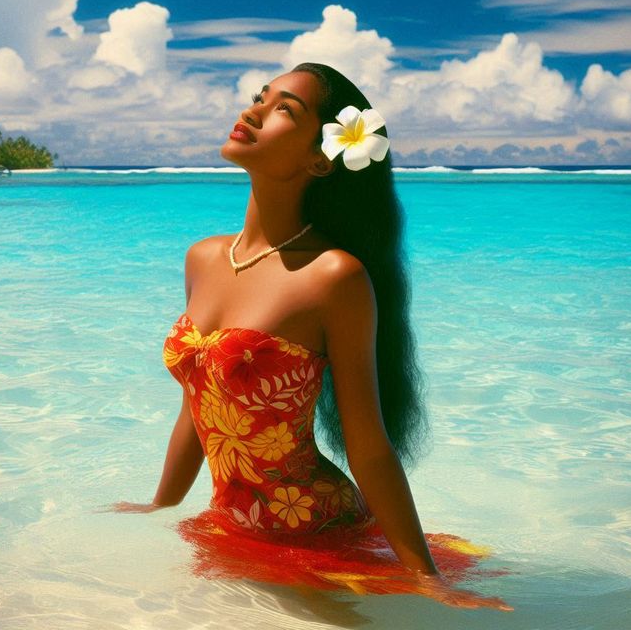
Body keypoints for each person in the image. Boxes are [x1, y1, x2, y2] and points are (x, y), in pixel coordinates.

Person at [106, 63, 512, 611]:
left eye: (283, 109)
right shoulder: (202, 258)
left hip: (315, 529)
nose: (251, 110)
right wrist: (159, 508)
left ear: (320, 160)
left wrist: (424, 577)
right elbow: (197, 408)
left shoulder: (333, 277)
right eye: (260, 97)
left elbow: (368, 445)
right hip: (234, 524)